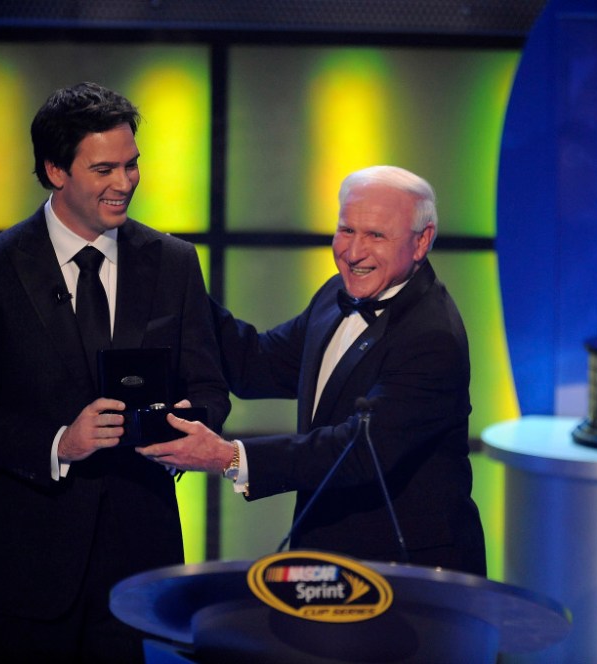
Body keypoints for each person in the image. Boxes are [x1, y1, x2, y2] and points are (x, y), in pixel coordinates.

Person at [0, 82, 230, 663]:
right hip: (23, 568)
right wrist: (60, 443)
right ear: (55, 171)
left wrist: (187, 423)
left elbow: (208, 385)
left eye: (131, 164)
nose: (126, 182)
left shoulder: (173, 262)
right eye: (104, 169)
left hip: (138, 562)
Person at [141, 165, 487, 576]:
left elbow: (359, 451)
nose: (354, 252)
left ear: (421, 241)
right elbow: (257, 364)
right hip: (327, 558)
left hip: (406, 572)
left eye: (376, 235)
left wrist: (229, 457)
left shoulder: (432, 336)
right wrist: (181, 282)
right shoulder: (335, 293)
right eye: (346, 230)